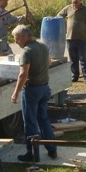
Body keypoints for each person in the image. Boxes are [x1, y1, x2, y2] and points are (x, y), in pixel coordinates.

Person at [10, 25, 58, 163]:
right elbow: (49, 62)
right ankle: (52, 149)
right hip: (45, 88)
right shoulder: (43, 47)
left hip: (31, 90)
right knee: (44, 120)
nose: (16, 42)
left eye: (17, 38)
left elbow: (23, 74)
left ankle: (32, 154)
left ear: (25, 36)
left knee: (30, 122)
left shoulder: (26, 51)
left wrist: (15, 93)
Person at [58, 0, 86, 86]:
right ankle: (74, 77)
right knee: (73, 60)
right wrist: (64, 25)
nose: (75, 0)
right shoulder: (67, 8)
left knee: (83, 59)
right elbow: (58, 17)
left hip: (82, 39)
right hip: (70, 39)